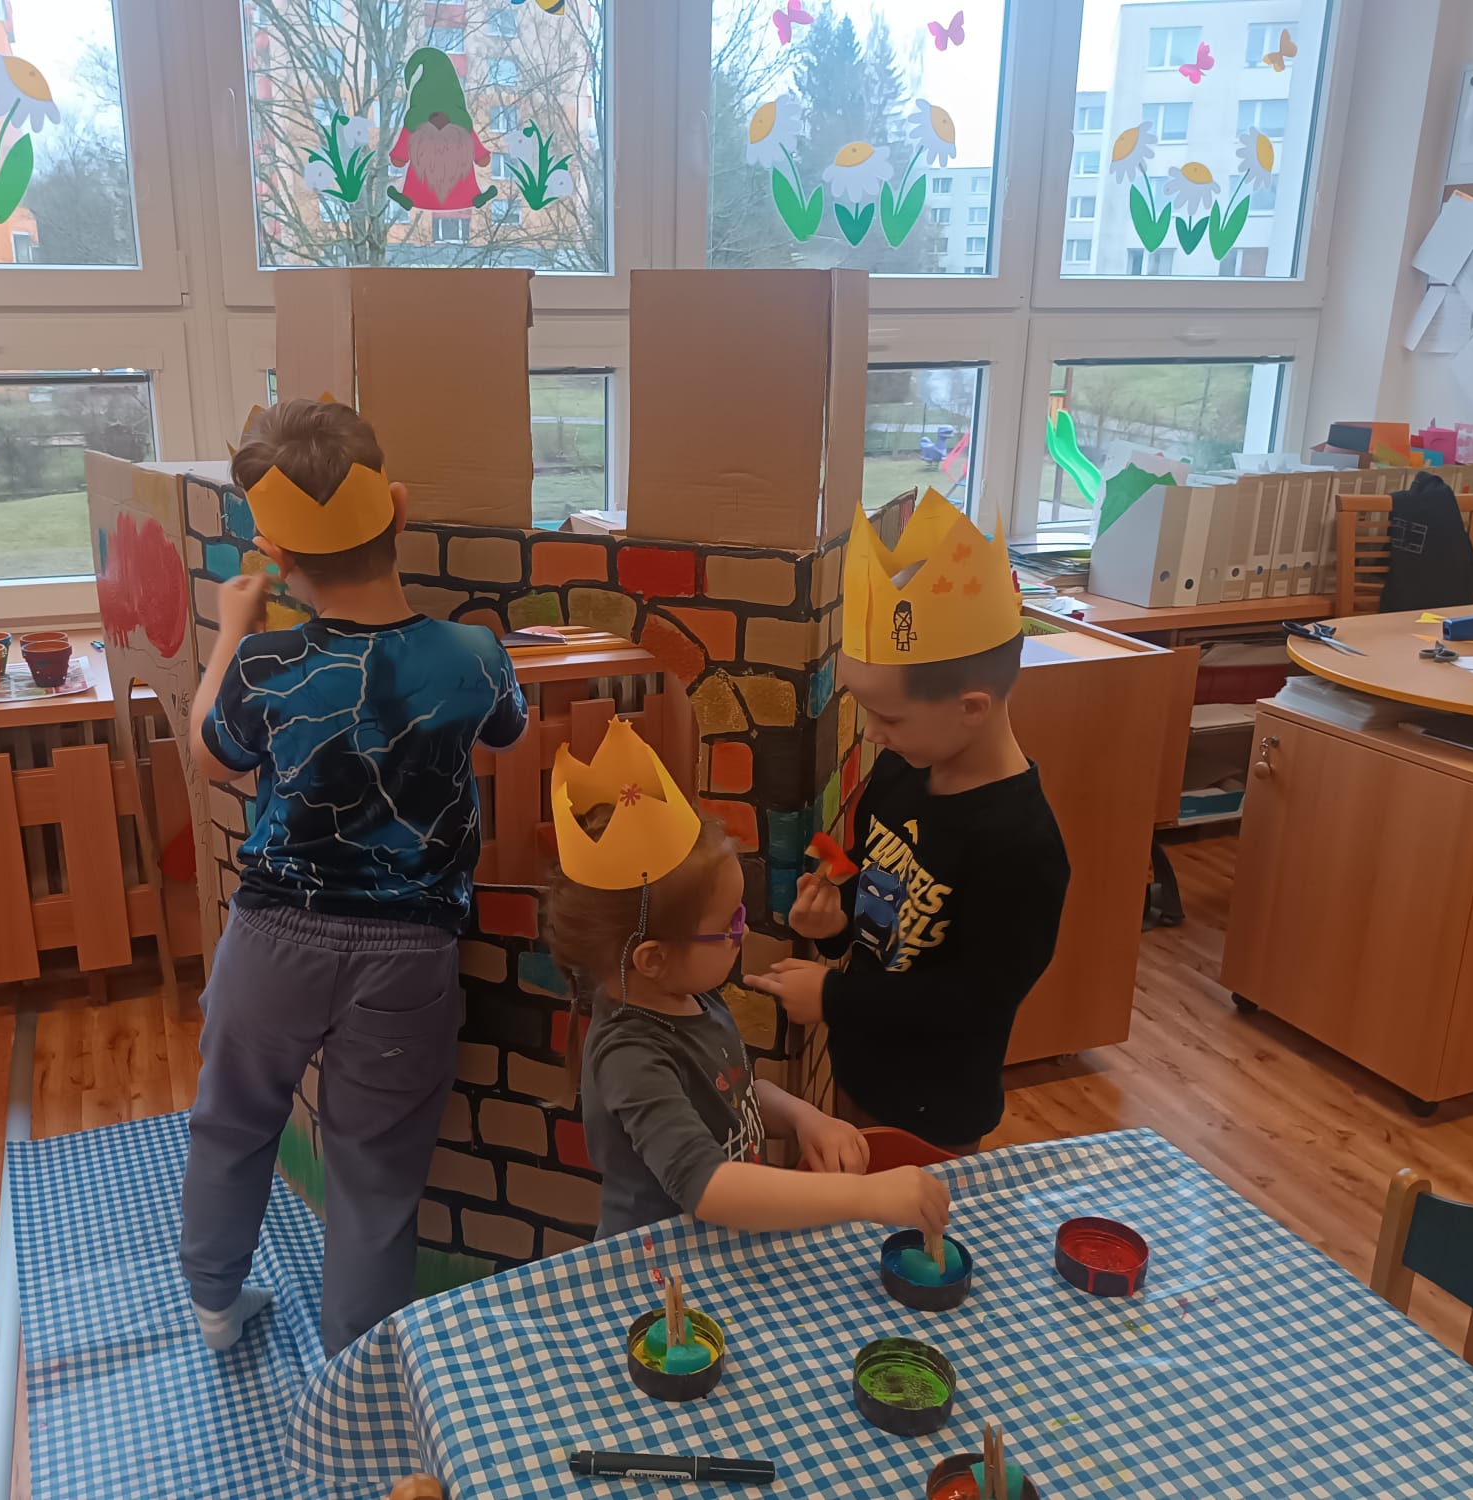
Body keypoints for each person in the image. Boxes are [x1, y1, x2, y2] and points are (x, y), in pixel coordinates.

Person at [179, 398, 527, 1356]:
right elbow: (509, 732)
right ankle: (355, 1365)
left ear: (275, 551)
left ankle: (214, 1302)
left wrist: (232, 629)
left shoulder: (266, 661)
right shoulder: (474, 654)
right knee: (375, 1173)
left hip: (271, 937)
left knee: (231, 1120)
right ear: (398, 507)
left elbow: (212, 757)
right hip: (410, 950)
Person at [544, 717, 951, 1242]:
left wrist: (803, 1117)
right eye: (729, 924)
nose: (744, 931)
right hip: (661, 1269)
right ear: (653, 959)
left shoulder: (687, 995)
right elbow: (708, 1187)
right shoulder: (631, 1057)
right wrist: (864, 1196)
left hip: (719, 1250)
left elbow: (730, 1092)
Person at [749, 490, 1070, 1155]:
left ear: (972, 708)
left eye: (888, 717)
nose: (873, 733)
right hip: (862, 1066)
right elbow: (872, 892)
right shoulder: (900, 772)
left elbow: (976, 1003)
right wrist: (836, 924)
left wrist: (835, 1000)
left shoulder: (1022, 847)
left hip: (936, 1105)